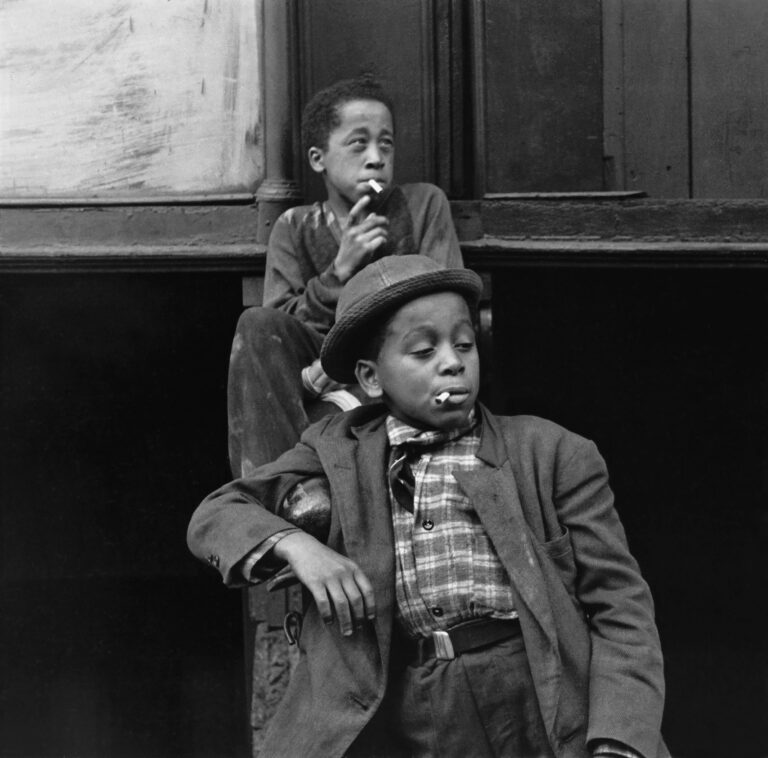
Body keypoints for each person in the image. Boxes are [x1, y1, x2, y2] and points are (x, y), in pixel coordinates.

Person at [189, 255, 668, 758]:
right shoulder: (335, 450)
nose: (453, 361)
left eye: (463, 344)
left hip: (539, 698)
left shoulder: (551, 452)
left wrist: (618, 741)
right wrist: (299, 547)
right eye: (423, 350)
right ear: (371, 379)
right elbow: (218, 513)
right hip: (407, 708)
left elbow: (621, 607)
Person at [229, 76, 463, 479]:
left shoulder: (424, 204)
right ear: (319, 159)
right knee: (256, 324)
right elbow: (280, 333)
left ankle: (302, 473)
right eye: (359, 143)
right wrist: (340, 270)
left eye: (385, 143)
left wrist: (377, 275)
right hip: (317, 369)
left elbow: (447, 306)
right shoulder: (294, 225)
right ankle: (279, 490)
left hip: (398, 368)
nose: (376, 158)